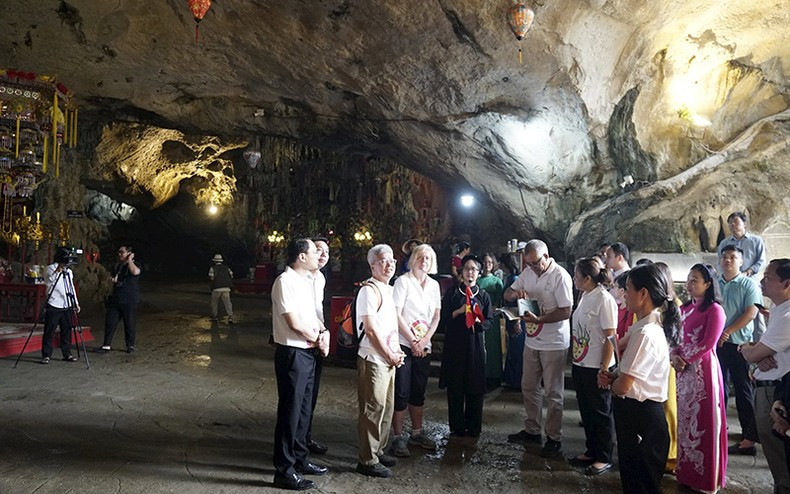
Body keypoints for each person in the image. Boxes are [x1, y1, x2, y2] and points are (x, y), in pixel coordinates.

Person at [598, 264, 678, 494]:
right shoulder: (641, 327)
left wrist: (610, 381)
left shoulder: (646, 334)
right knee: (633, 479)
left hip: (642, 417)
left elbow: (624, 386)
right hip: (636, 415)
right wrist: (612, 374)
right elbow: (625, 374)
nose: (624, 294)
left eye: (628, 288)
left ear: (643, 294)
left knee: (640, 484)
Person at [504, 239, 573, 458]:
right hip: (532, 339)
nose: (532, 267)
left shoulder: (560, 276)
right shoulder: (528, 273)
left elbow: (566, 311)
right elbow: (507, 293)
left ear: (546, 256)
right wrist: (515, 295)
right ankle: (532, 429)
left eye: (535, 263)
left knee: (553, 391)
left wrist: (540, 319)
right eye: (528, 263)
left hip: (554, 342)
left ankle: (554, 437)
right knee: (529, 386)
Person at [270, 238, 329, 491]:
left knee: (304, 408)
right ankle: (284, 470)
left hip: (309, 351)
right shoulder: (285, 282)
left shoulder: (307, 282)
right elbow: (294, 322)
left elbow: (315, 315)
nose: (320, 255)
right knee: (290, 411)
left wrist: (323, 333)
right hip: (293, 353)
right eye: (315, 251)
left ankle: (301, 458)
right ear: (301, 256)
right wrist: (318, 339)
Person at [672, 264, 727, 493]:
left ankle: (707, 480)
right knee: (685, 422)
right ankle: (687, 473)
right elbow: (675, 338)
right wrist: (674, 355)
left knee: (704, 422)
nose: (690, 283)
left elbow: (708, 343)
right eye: (689, 279)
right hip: (683, 374)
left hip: (704, 374)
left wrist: (684, 359)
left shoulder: (714, 310)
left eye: (695, 280)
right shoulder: (684, 309)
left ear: (708, 284)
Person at [741, 259, 790, 494]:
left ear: (786, 283)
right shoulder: (779, 311)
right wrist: (756, 353)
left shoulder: (788, 315)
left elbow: (754, 352)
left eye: (768, 277)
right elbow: (760, 353)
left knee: (781, 460)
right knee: (775, 457)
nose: (762, 281)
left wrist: (745, 349)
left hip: (776, 393)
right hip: (767, 387)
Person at [356, 244, 405, 478]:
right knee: (372, 408)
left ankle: (379, 449)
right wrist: (388, 354)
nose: (389, 265)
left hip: (389, 358)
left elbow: (390, 325)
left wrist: (396, 353)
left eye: (392, 261)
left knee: (387, 407)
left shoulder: (389, 289)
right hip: (374, 357)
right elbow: (371, 329)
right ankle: (366, 459)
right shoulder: (369, 290)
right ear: (372, 265)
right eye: (384, 261)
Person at [389, 244, 441, 457]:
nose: (424, 261)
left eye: (428, 258)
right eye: (420, 257)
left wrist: (425, 340)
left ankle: (417, 433)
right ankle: (398, 436)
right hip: (404, 343)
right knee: (401, 391)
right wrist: (412, 341)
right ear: (413, 259)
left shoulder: (434, 286)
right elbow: (396, 313)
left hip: (424, 344)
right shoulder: (403, 282)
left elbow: (436, 316)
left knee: (418, 390)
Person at [567, 258, 617, 476]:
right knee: (587, 409)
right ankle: (592, 449)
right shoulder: (585, 295)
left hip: (597, 364)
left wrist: (604, 369)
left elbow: (610, 337)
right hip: (581, 362)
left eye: (577, 276)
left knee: (600, 411)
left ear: (588, 278)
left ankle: (604, 456)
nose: (574, 279)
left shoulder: (604, 300)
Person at [439, 255, 494, 437]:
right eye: (466, 269)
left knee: (475, 387)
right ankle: (456, 426)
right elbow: (443, 319)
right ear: (461, 273)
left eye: (473, 269)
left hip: (474, 347)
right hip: (455, 346)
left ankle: (474, 426)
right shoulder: (453, 294)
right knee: (455, 387)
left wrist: (480, 321)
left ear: (479, 273)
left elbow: (489, 321)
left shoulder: (484, 296)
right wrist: (458, 311)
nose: (470, 272)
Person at [717, 245, 761, 456]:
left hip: (738, 344)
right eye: (724, 256)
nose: (728, 260)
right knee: (719, 388)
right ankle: (719, 430)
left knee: (743, 390)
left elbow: (751, 312)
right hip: (716, 344)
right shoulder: (714, 283)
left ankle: (749, 438)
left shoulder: (747, 284)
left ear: (741, 261)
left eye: (733, 257)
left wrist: (727, 331)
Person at [305, 237, 330, 455]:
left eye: (326, 253)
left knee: (312, 393)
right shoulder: (297, 278)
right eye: (318, 250)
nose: (322, 255)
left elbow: (318, 310)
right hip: (303, 340)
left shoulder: (320, 278)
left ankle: (306, 437)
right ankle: (296, 442)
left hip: (318, 338)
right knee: (299, 398)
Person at [97, 244, 141, 353]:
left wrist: (130, 260)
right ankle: (106, 344)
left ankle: (130, 345)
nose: (120, 254)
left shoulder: (135, 264)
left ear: (129, 253)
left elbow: (135, 272)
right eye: (119, 252)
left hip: (129, 299)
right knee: (110, 321)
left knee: (129, 323)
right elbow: (114, 278)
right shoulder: (118, 266)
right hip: (116, 298)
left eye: (122, 252)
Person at [40, 248, 81, 364]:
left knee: (67, 329)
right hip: (53, 303)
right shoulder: (49, 269)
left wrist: (75, 302)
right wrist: (58, 270)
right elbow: (49, 281)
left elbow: (71, 287)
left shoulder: (69, 272)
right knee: (50, 330)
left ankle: (67, 353)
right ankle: (46, 355)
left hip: (66, 303)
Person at [478, 252, 504, 389]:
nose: (487, 265)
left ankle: (494, 376)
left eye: (490, 262)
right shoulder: (477, 280)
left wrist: (491, 310)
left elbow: (499, 299)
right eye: (485, 262)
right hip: (479, 316)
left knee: (493, 347)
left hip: (491, 317)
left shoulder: (497, 281)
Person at [500, 253, 525, 390]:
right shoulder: (511, 278)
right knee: (512, 350)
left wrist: (517, 322)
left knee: (517, 350)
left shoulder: (514, 279)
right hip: (510, 317)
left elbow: (518, 302)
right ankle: (511, 378)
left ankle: (517, 381)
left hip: (515, 317)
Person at [717, 212, 766, 278]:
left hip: (751, 279)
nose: (733, 224)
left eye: (736, 221)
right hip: (730, 280)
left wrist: (748, 272)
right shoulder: (724, 243)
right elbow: (720, 262)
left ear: (744, 224)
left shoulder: (756, 241)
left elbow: (761, 261)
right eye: (730, 222)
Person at [208, 254, 233, 323]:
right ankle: (230, 316)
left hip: (216, 288)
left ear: (215, 261)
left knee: (214, 302)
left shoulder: (212, 268)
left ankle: (215, 315)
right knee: (227, 302)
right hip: (226, 287)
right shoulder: (227, 268)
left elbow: (212, 278)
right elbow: (231, 275)